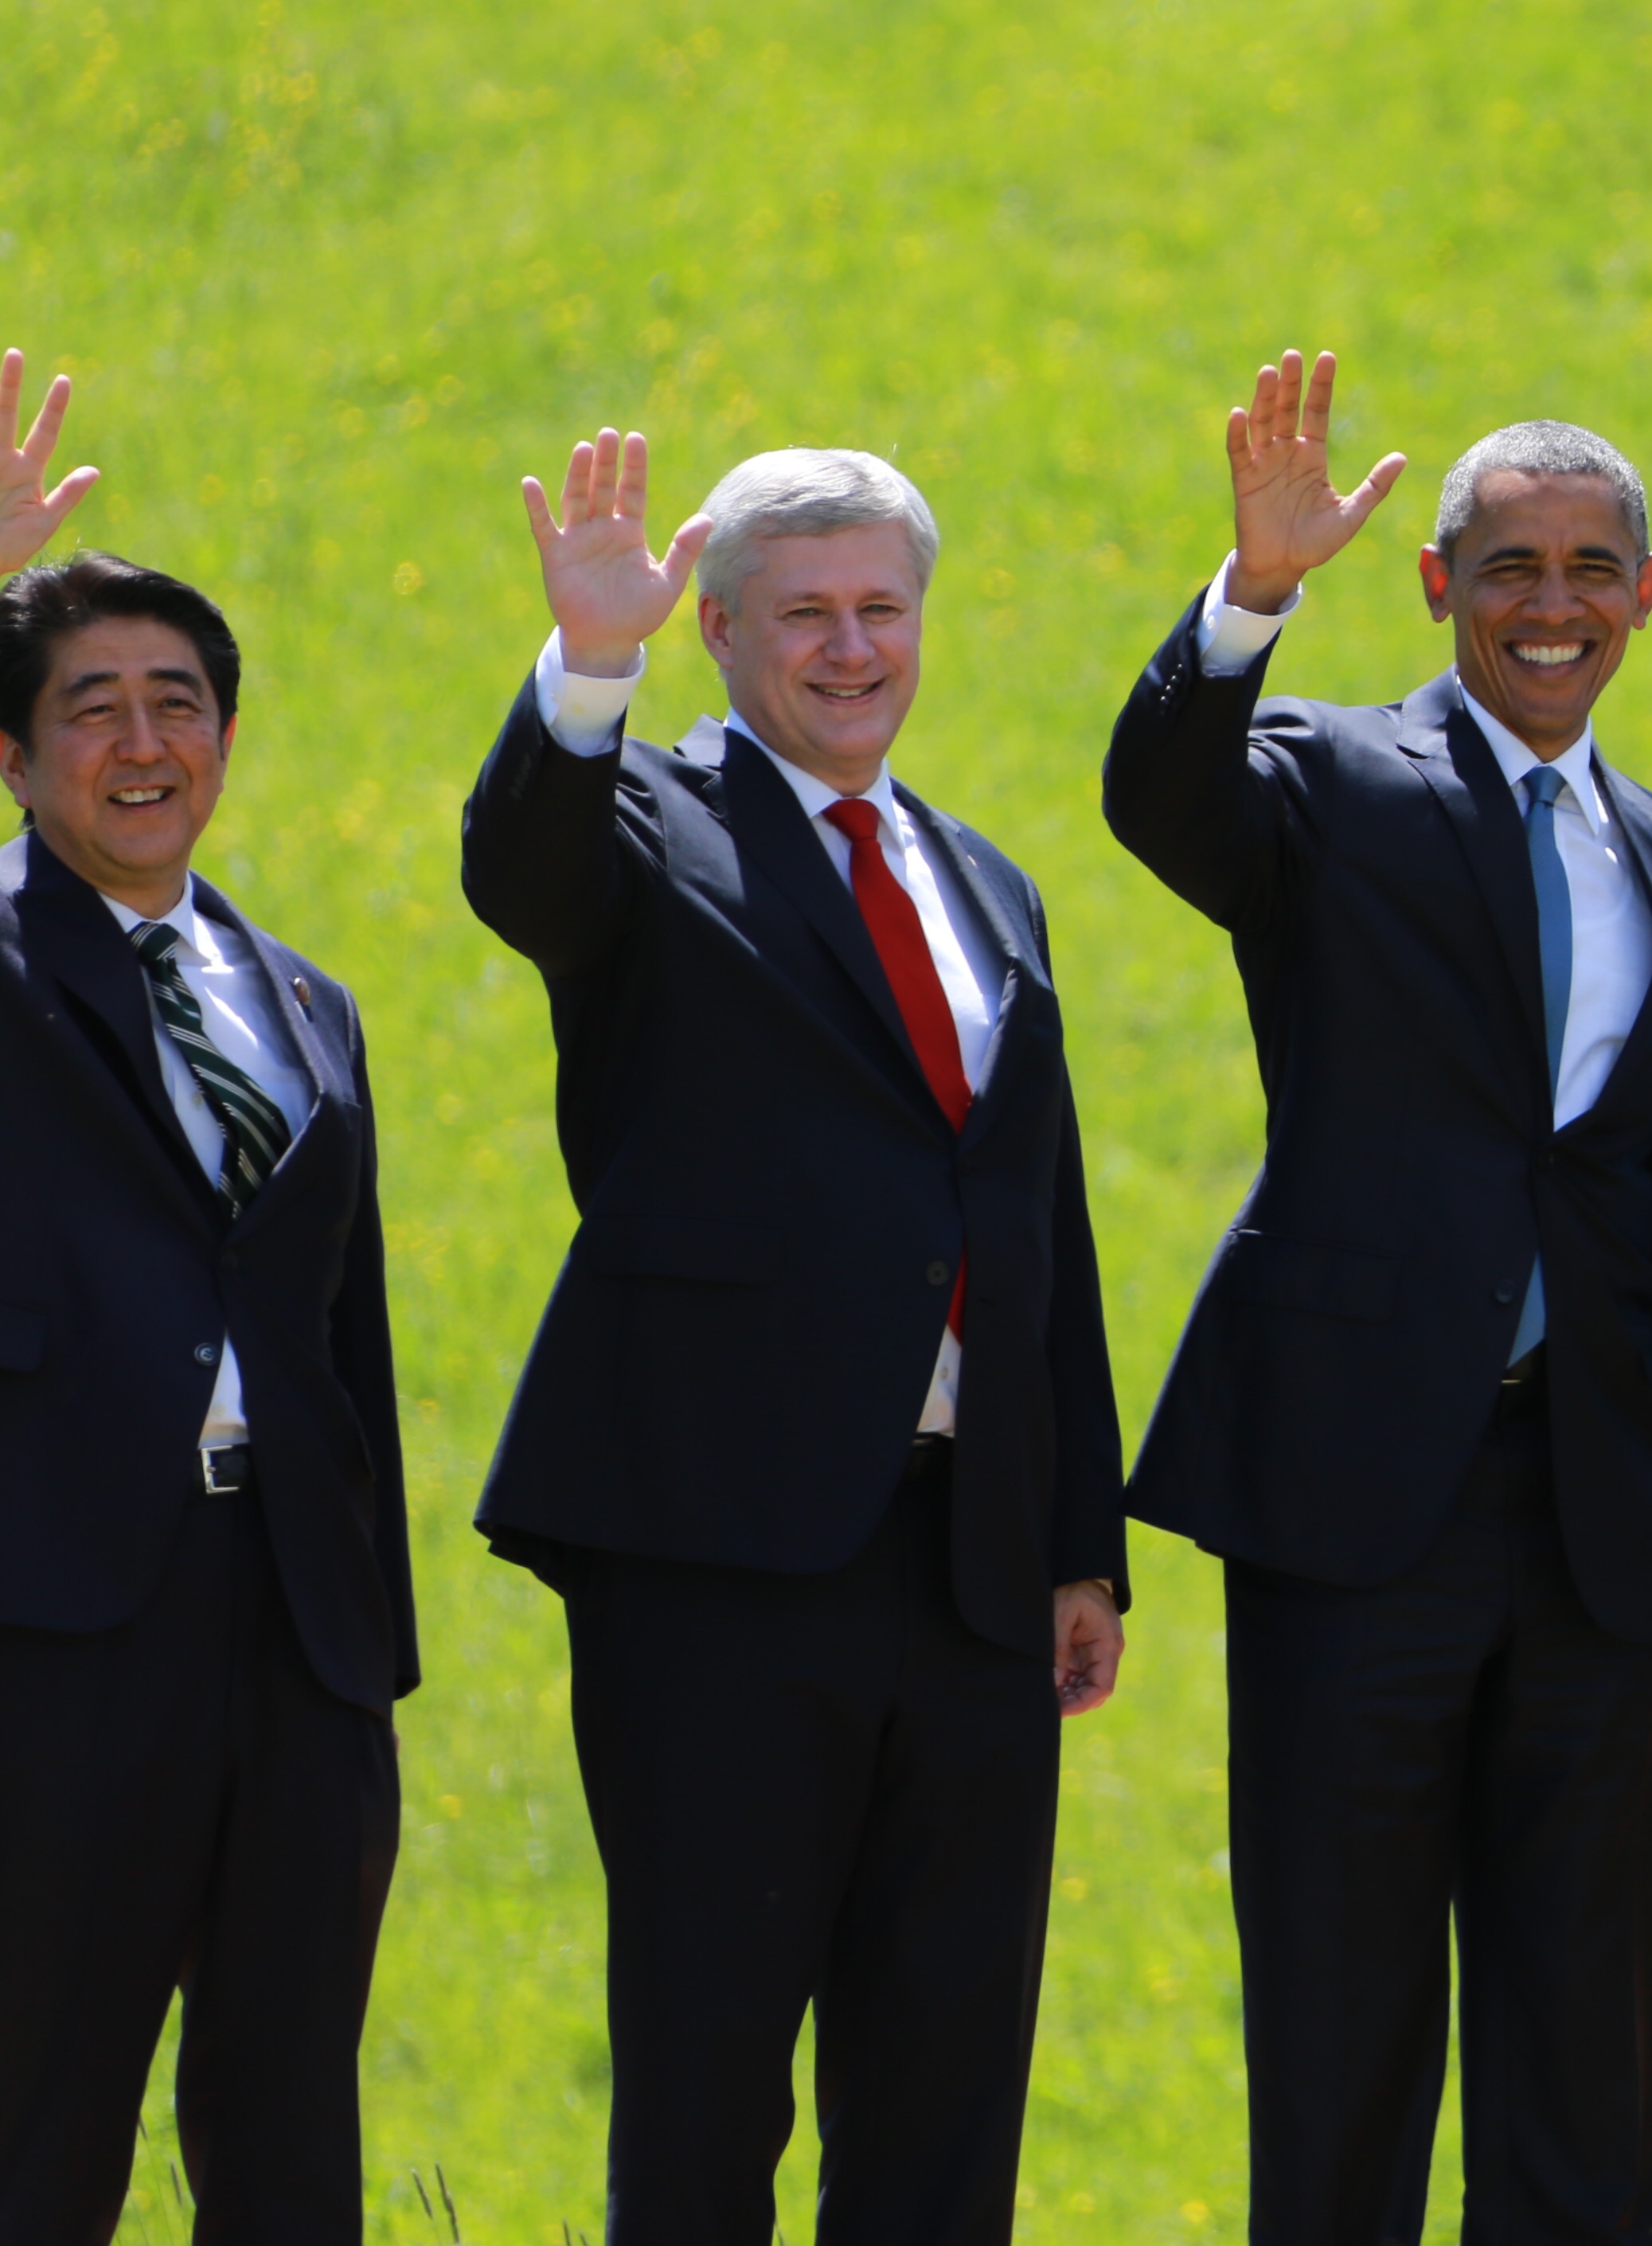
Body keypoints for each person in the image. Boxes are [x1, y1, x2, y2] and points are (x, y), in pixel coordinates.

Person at [1102, 352, 1652, 2244]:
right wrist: (1250, 598)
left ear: (1646, 589)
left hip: (1601, 1522)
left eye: (1588, 568)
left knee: (1588, 2037)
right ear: (1439, 586)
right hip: (1353, 1497)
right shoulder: (1322, 776)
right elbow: (1163, 802)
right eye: (1507, 567)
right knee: (1341, 2011)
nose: (1549, 605)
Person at [465, 430, 1130, 2244]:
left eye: (883, 610)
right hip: (720, 1550)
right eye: (805, 615)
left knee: (944, 2094)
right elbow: (525, 873)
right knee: (706, 2080)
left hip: (974, 1566)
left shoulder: (986, 883)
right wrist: (586, 659)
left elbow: (1037, 1226)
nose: (852, 649)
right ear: (719, 633)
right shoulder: (645, 823)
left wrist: (1081, 1543)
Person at [0, 361, 420, 2244]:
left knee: (286, 2138)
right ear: (13, 761)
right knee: (38, 2116)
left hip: (299, 1640)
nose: (143, 740)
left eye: (182, 701)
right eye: (90, 708)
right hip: (59, 1627)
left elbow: (352, 1338)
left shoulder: (303, 1000)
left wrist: (368, 1642)